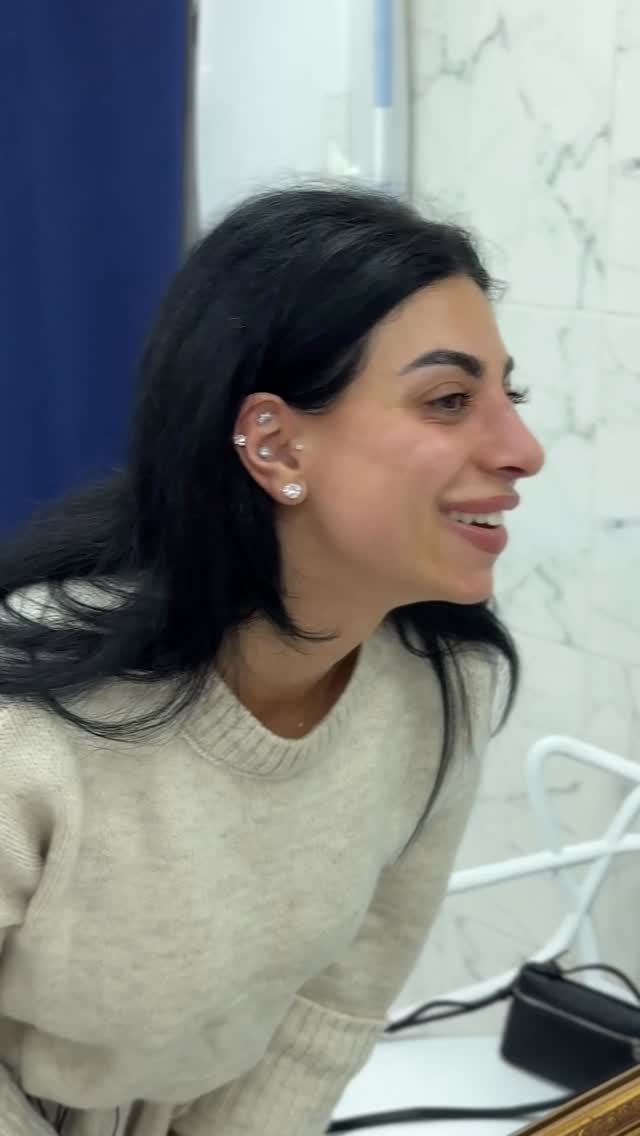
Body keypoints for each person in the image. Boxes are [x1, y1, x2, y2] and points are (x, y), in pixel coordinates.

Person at [0, 184, 544, 1136]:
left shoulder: (441, 688)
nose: (522, 450)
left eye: (511, 396)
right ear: (275, 444)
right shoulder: (35, 718)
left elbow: (333, 1008)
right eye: (450, 400)